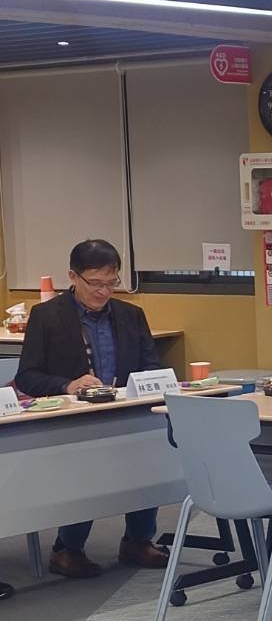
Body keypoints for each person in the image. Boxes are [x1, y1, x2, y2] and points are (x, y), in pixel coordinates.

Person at [16, 239, 170, 578]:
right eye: (95, 283)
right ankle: (67, 549)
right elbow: (27, 376)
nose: (104, 292)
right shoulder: (47, 316)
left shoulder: (131, 315)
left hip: (128, 411)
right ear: (73, 277)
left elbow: (150, 367)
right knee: (84, 468)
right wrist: (67, 385)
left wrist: (148, 386)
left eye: (111, 283)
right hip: (72, 419)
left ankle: (138, 540)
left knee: (149, 454)